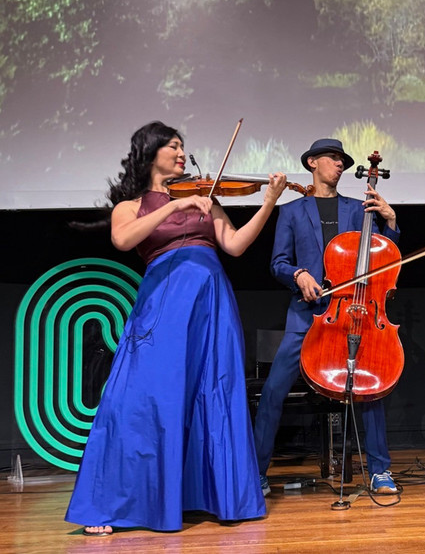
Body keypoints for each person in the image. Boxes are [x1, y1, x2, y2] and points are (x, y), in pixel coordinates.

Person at [65, 121, 287, 535]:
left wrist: (269, 201)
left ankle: (218, 497)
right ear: (151, 154)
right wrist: (173, 206)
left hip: (211, 302)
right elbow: (123, 240)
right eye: (173, 146)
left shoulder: (204, 197)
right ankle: (115, 505)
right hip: (164, 303)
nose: (182, 153)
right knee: (141, 398)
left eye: (183, 147)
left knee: (214, 393)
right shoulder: (131, 207)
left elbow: (235, 245)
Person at [254, 138, 400, 496]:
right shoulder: (290, 212)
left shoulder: (359, 209)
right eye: (333, 158)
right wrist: (298, 275)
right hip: (306, 317)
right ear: (312, 163)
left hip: (354, 313)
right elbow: (278, 264)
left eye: (342, 160)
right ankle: (255, 472)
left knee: (370, 388)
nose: (339, 164)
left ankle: (380, 470)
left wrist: (391, 220)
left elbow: (386, 259)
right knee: (273, 391)